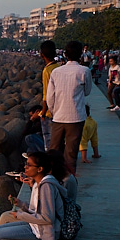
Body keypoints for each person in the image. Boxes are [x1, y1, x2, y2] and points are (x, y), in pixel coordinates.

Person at [45, 40, 92, 175]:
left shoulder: (56, 72)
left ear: (65, 54)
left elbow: (50, 97)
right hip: (76, 117)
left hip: (59, 116)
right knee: (71, 153)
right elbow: (87, 91)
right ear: (80, 55)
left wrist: (54, 111)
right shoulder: (84, 71)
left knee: (54, 150)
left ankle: (53, 179)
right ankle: (69, 182)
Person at [39, 40, 61, 148]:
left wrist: (43, 111)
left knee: (49, 139)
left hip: (50, 111)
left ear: (42, 55)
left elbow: (47, 93)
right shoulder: (59, 67)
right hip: (60, 108)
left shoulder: (47, 71)